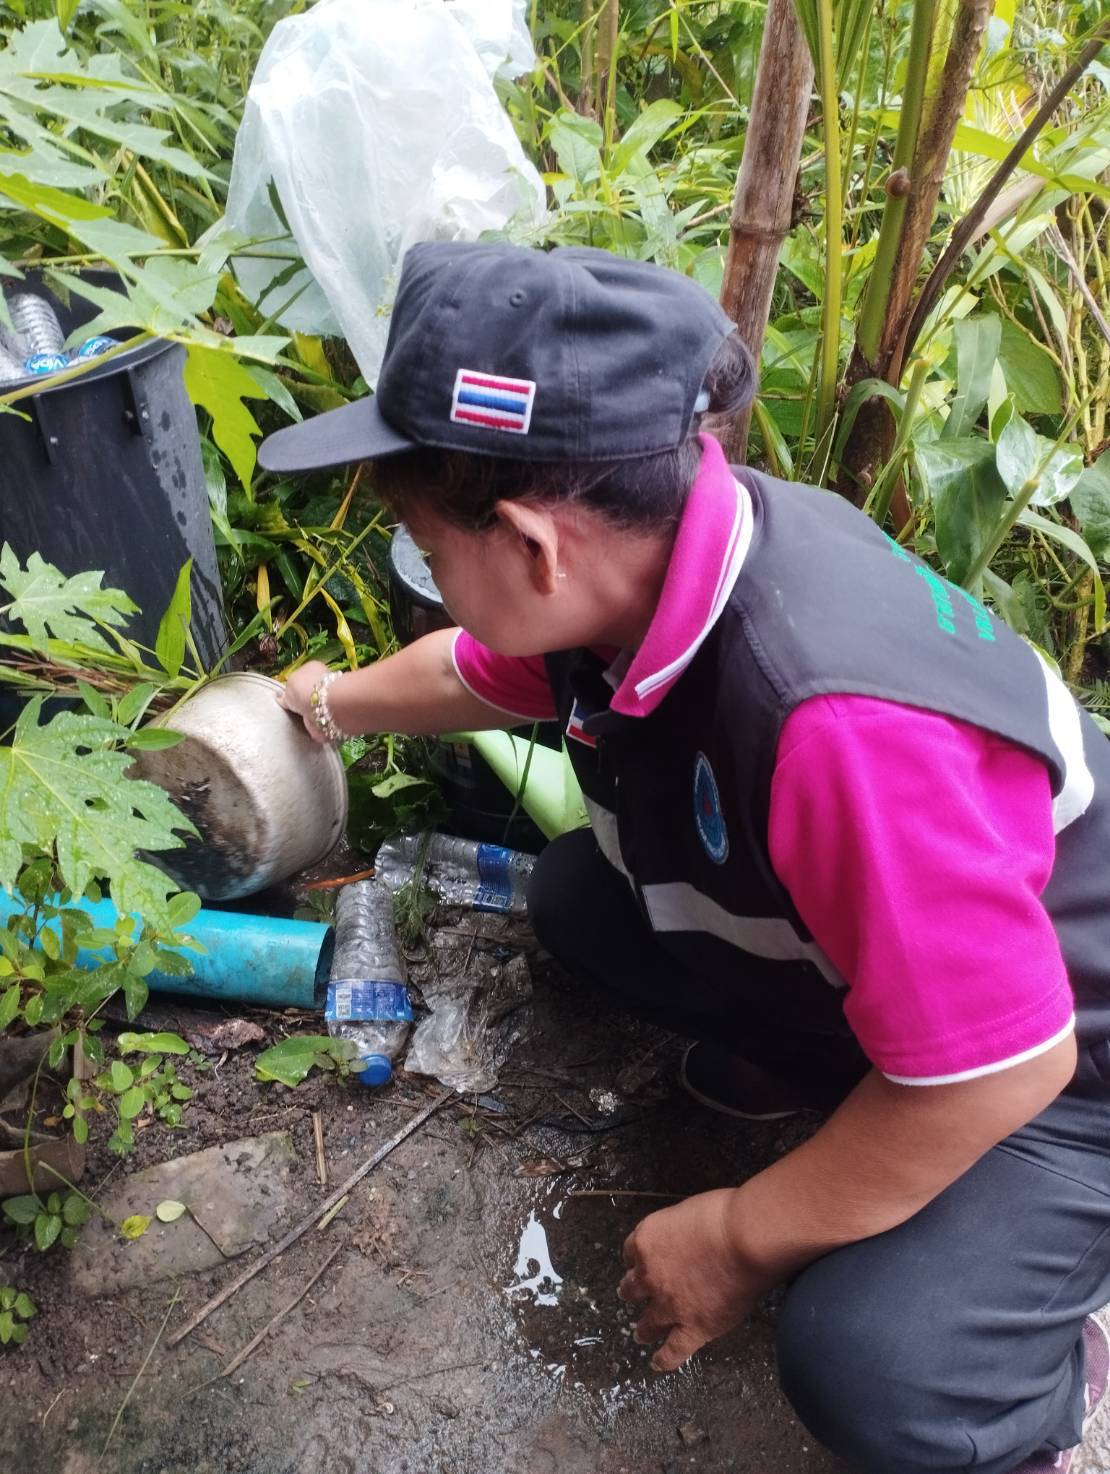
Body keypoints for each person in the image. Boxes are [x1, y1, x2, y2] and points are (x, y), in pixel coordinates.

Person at [258, 241, 1110, 1474]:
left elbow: (1004, 1067)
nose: (435, 586)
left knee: (871, 1359)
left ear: (532, 544)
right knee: (582, 900)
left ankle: (1023, 1382)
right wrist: (324, 702)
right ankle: (825, 1073)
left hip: (1064, 1064)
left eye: (433, 556)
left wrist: (744, 1234)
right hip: (943, 973)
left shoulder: (834, 724)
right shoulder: (643, 566)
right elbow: (466, 670)